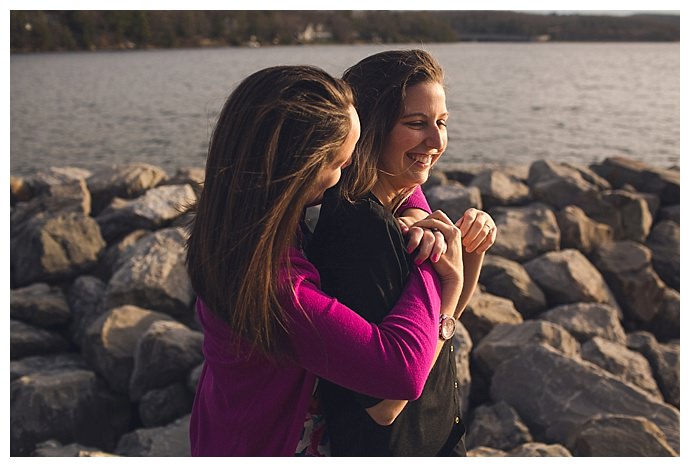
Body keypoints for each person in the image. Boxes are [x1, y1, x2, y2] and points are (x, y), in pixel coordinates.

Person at [185, 64, 467, 456]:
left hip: (228, 426)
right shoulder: (274, 285)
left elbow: (401, 186)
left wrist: (417, 214)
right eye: (338, 163)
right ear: (297, 167)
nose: (347, 174)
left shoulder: (240, 225)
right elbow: (400, 373)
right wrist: (438, 274)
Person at [307, 49, 496, 456]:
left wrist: (468, 250)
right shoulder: (361, 232)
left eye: (442, 122)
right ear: (370, 127)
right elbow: (383, 405)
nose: (437, 140)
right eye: (417, 124)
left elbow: (444, 321)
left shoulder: (398, 210)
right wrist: (447, 277)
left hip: (438, 436)